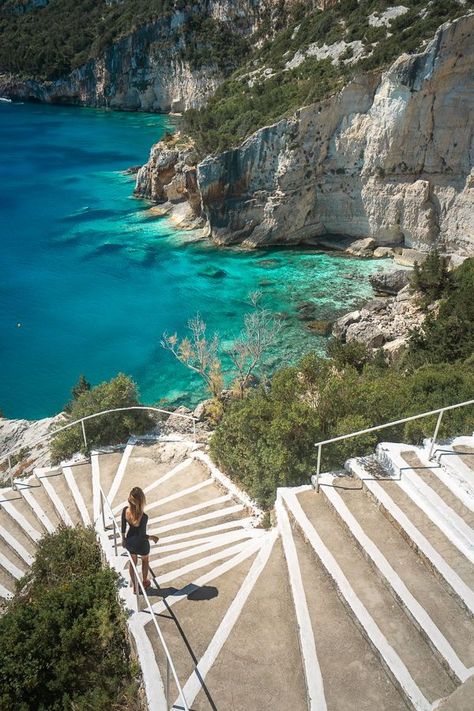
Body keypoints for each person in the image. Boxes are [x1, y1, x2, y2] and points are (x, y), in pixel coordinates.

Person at [121, 487, 158, 592]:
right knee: (145, 561)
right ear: (142, 501)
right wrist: (152, 538)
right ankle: (145, 582)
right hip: (141, 545)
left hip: (130, 542)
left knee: (133, 562)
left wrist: (123, 540)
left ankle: (134, 586)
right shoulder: (144, 516)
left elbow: (123, 527)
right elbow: (142, 535)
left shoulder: (125, 510)